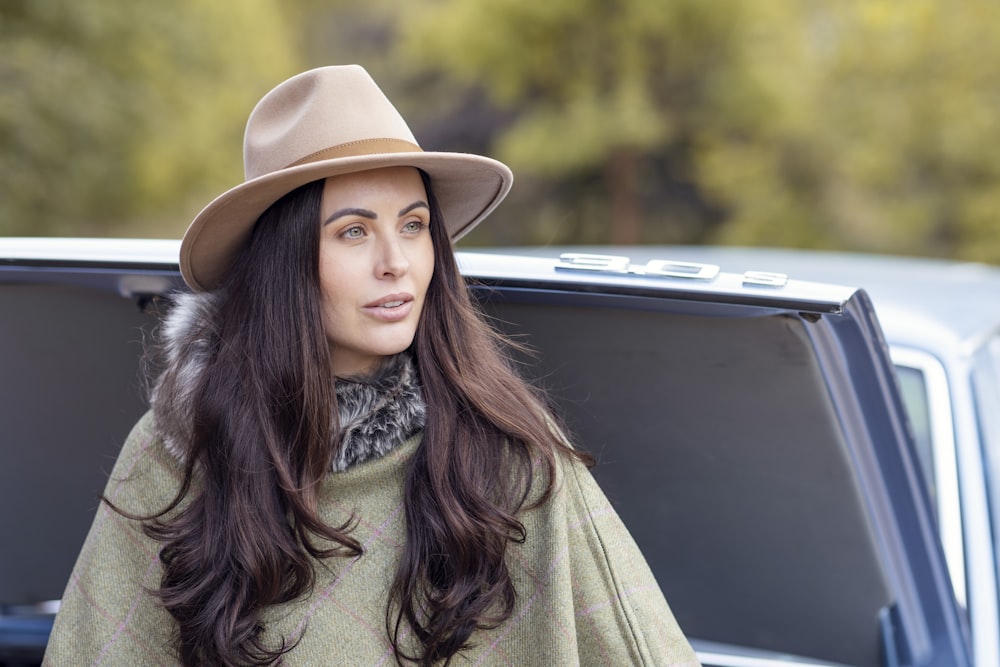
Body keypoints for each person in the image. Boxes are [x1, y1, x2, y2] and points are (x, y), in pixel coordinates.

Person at [44, 65, 698, 666]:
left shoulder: (508, 456)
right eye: (353, 231)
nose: (397, 260)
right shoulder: (178, 451)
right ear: (286, 263)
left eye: (414, 225)